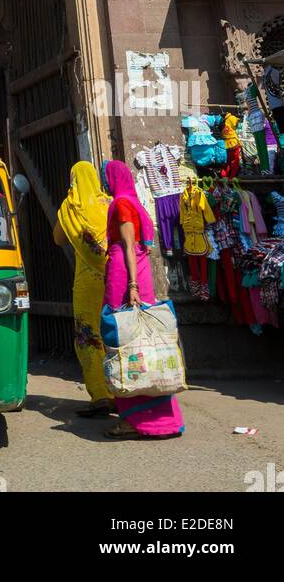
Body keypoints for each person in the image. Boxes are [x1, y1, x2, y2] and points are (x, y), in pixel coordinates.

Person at [99, 160, 185, 440]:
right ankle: (159, 418)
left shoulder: (122, 204)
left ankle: (135, 419)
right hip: (134, 276)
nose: (104, 181)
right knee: (145, 345)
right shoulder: (134, 203)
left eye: (106, 177)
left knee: (125, 344)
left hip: (125, 280)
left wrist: (132, 286)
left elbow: (128, 245)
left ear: (113, 179)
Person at [53, 162, 114, 417]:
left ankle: (101, 395)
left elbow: (57, 239)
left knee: (88, 335)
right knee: (115, 334)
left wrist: (65, 210)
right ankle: (124, 391)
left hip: (87, 284)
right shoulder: (110, 204)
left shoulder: (70, 208)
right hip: (114, 278)